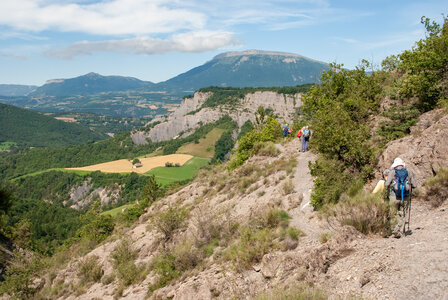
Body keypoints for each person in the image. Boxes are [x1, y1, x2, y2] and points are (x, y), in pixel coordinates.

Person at [384, 157, 417, 237]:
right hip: (405, 196)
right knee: (403, 213)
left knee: (393, 213)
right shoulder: (409, 172)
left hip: (394, 196)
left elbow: (387, 184)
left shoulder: (392, 172)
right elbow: (414, 185)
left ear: (395, 165)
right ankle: (401, 231)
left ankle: (394, 231)